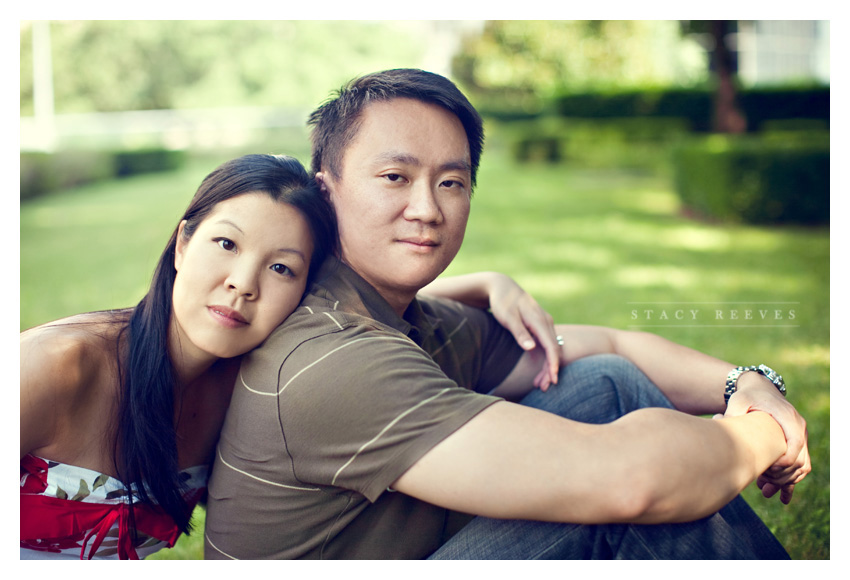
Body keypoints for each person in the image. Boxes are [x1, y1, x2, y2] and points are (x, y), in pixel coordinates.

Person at [203, 69, 811, 560]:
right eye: (395, 176)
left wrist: (746, 384)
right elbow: (632, 481)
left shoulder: (405, 317)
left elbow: (611, 348)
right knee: (626, 507)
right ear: (326, 188)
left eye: (452, 182)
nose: (427, 208)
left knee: (605, 382)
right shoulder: (335, 358)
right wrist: (765, 433)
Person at [19, 152, 552, 560]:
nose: (242, 284)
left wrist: (488, 283)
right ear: (183, 244)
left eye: (281, 269)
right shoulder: (56, 368)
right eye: (226, 245)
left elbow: (356, 311)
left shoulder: (254, 377)